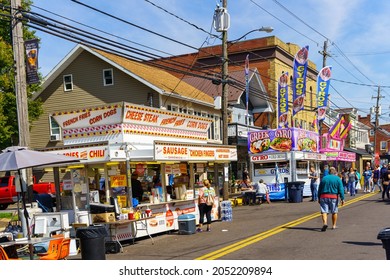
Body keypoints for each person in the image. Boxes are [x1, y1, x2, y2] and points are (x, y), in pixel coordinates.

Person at [318, 166, 345, 231]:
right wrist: (342, 198)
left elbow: (319, 189)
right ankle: (334, 225)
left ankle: (325, 223)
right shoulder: (337, 179)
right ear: (335, 172)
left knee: (324, 211)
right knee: (334, 211)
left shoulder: (324, 178)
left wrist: (318, 197)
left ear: (329, 172)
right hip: (333, 197)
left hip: (324, 196)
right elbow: (341, 189)